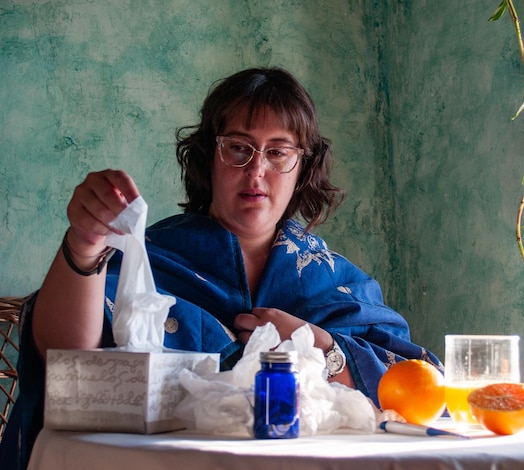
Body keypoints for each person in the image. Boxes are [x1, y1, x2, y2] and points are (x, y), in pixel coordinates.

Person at [0, 67, 442, 470]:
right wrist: (84, 243)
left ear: (302, 167)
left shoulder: (338, 283)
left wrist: (320, 346)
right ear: (207, 158)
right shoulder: (151, 258)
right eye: (238, 148)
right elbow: (66, 357)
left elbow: (418, 388)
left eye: (278, 152)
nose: (256, 171)